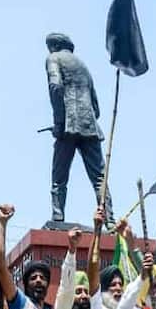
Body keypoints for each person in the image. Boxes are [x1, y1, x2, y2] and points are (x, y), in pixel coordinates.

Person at [46, 32, 112, 223]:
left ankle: (58, 217)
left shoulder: (53, 58)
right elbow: (96, 108)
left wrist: (59, 123)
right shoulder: (84, 67)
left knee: (59, 177)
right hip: (89, 126)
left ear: (54, 46)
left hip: (68, 126)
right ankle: (110, 220)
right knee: (99, 177)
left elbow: (56, 87)